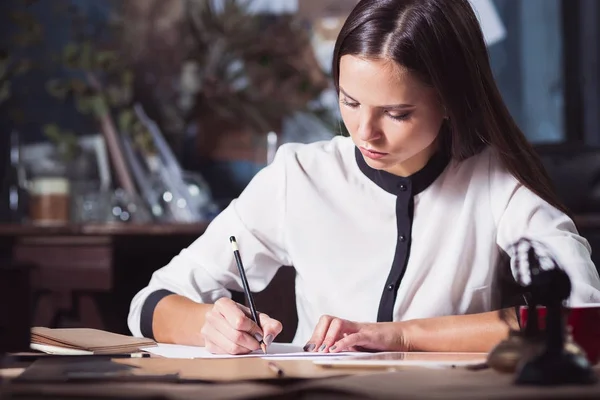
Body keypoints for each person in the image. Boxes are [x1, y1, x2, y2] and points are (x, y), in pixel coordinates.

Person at [128, 0, 600, 355]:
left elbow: (585, 321)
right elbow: (149, 304)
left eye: (396, 113)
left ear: (452, 102)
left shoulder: (498, 184)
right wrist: (210, 324)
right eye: (349, 102)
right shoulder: (300, 176)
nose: (364, 132)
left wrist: (401, 336)